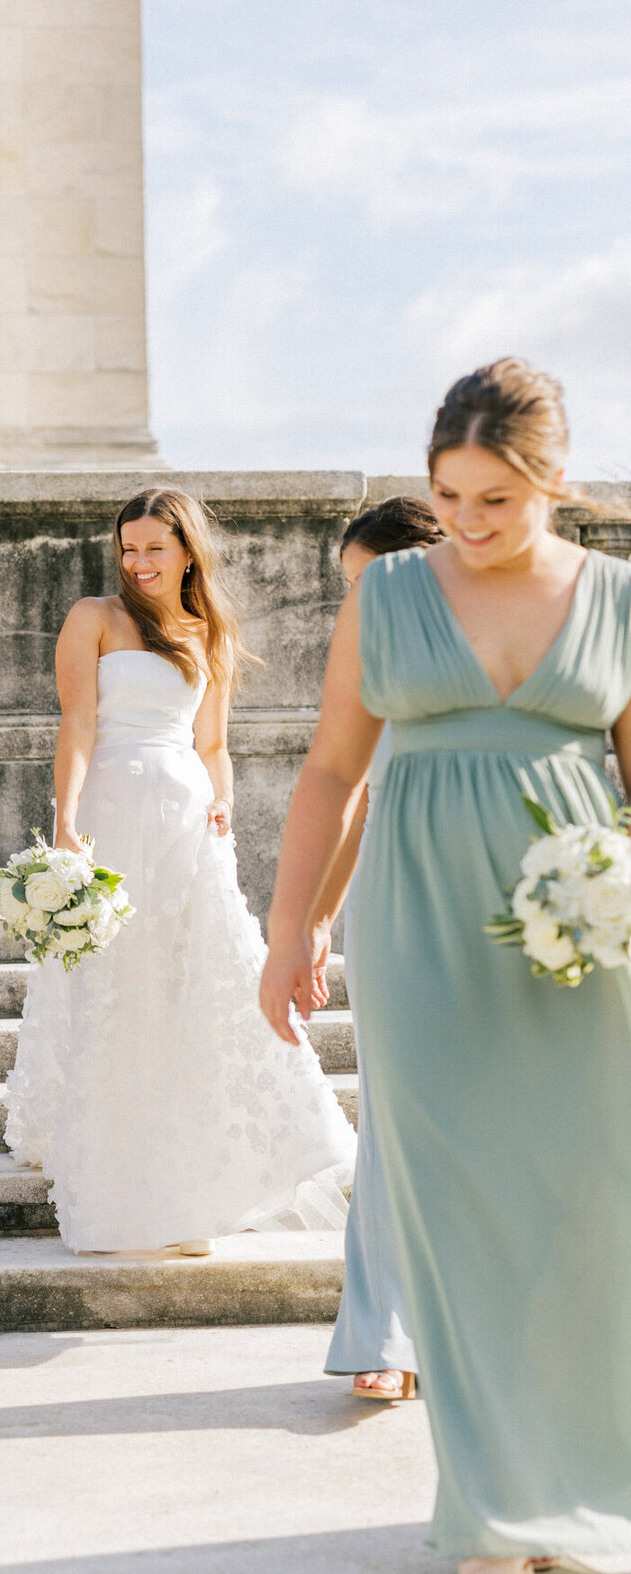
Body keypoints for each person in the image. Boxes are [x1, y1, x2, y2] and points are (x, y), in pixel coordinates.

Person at [261, 358, 631, 1574]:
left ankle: (573, 1484)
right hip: (420, 928)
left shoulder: (622, 603)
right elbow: (326, 772)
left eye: (494, 500)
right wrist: (287, 926)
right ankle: (491, 1536)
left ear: (555, 484)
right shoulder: (395, 593)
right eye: (448, 496)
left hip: (585, 936)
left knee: (586, 1214)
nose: (466, 523)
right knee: (459, 1215)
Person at [4, 486, 356, 1254]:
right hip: (115, 809)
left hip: (188, 822)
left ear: (187, 551)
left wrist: (223, 801)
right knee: (118, 979)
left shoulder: (208, 632)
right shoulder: (93, 618)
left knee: (193, 977)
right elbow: (77, 722)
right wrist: (66, 817)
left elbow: (213, 745)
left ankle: (200, 1162)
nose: (138, 562)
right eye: (128, 548)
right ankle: (113, 1157)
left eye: (153, 549)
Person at [317, 498, 442, 1404]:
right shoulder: (369, 660)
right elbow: (347, 793)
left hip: (501, 900)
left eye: (366, 582)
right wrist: (316, 918)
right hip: (394, 901)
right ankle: (382, 1331)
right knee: (392, 1123)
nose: (354, 602)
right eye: (347, 587)